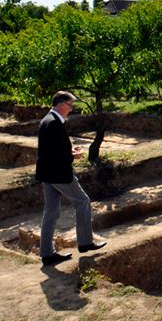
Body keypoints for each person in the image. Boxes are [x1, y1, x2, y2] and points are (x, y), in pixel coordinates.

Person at [36, 91, 106, 266]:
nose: (71, 109)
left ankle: (47, 253)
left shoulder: (47, 120)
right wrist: (72, 157)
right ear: (61, 104)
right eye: (70, 105)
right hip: (59, 173)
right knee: (83, 201)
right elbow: (56, 155)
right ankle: (85, 242)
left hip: (47, 174)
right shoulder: (53, 123)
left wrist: (69, 152)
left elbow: (51, 150)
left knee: (51, 213)